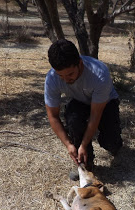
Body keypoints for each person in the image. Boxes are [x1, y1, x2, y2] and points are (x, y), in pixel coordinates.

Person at [44, 39, 123, 172]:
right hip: (80, 101)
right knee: (73, 119)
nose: (66, 79)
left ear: (79, 63)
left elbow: (95, 114)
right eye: (61, 76)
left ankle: (115, 145)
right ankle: (86, 164)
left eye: (70, 74)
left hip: (106, 103)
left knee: (110, 142)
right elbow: (53, 116)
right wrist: (69, 145)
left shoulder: (99, 74)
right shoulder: (52, 78)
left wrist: (84, 144)